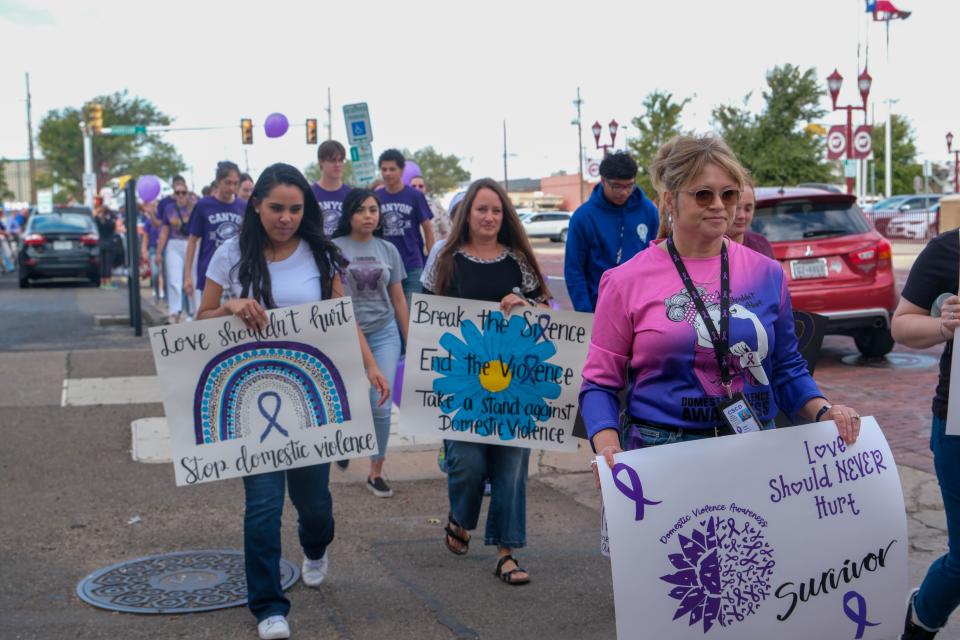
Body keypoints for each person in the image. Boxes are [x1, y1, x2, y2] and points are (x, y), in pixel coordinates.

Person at [581, 135, 862, 481]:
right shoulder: (625, 281)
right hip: (661, 453)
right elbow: (599, 383)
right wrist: (607, 446)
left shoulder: (766, 273)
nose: (719, 204)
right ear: (671, 200)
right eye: (703, 194)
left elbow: (787, 368)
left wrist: (825, 412)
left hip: (753, 449)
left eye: (728, 194)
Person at [197, 163, 389, 640]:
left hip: (309, 398)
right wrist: (229, 307)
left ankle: (316, 547)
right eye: (276, 208)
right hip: (249, 397)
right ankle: (267, 607)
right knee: (262, 505)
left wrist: (369, 365)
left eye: (295, 209)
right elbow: (199, 320)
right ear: (256, 204)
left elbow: (341, 316)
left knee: (315, 506)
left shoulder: (320, 255)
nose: (285, 217)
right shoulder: (229, 256)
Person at [422, 177, 550, 586]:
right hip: (463, 384)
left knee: (511, 466)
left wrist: (527, 305)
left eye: (497, 210)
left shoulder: (519, 260)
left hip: (515, 385)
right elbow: (427, 315)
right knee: (468, 463)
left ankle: (506, 553)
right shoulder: (444, 256)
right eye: (482, 209)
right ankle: (461, 516)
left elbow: (547, 313)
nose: (490, 217)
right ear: (466, 214)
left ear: (505, 214)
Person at [891, 228, 959, 639]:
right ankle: (922, 618)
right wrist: (943, 326)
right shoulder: (948, 248)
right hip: (957, 425)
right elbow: (901, 325)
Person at [332, 189, 409, 496]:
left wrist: (411, 341)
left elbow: (399, 299)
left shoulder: (388, 249)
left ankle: (375, 470)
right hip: (345, 334)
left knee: (381, 403)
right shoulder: (333, 249)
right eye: (362, 210)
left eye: (374, 210)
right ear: (349, 214)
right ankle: (345, 439)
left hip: (384, 332)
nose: (368, 215)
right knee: (345, 400)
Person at [564, 151, 659, 313]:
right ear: (602, 181)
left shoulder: (648, 210)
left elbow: (658, 258)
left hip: (642, 307)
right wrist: (585, 313)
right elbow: (574, 270)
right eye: (616, 186)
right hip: (599, 309)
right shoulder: (583, 217)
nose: (623, 192)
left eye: (629, 185)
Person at [375, 149, 435, 309]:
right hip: (385, 264)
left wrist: (432, 259)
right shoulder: (376, 197)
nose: (387, 173)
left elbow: (428, 229)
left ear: (401, 170)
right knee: (392, 313)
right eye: (384, 169)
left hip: (412, 263)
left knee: (412, 313)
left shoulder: (415, 196)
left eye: (392, 169)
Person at [184, 161, 245, 313]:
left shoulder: (243, 206)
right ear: (218, 182)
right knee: (208, 319)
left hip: (236, 274)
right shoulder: (204, 205)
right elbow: (192, 241)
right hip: (208, 272)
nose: (231, 188)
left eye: (235, 183)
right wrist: (187, 276)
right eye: (227, 183)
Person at [157, 181, 195, 323]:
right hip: (174, 243)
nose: (180, 196)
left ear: (187, 193)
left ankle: (192, 311)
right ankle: (175, 311)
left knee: (191, 278)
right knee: (174, 279)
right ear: (174, 194)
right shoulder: (169, 208)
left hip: (191, 243)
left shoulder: (194, 206)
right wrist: (159, 252)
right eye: (177, 193)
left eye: (183, 192)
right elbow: (165, 230)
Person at [311, 140, 352, 238]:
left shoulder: (350, 194)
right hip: (316, 248)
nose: (337, 165)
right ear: (321, 162)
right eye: (332, 160)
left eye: (341, 160)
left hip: (343, 250)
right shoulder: (309, 193)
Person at [728, 177, 774, 259]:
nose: (742, 215)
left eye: (748, 209)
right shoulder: (705, 249)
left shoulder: (762, 245)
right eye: (736, 208)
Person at [410, 175, 451, 241]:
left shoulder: (436, 205)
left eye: (421, 186)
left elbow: (446, 231)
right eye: (413, 186)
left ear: (425, 188)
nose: (417, 189)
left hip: (435, 249)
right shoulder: (403, 207)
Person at [140, 200, 164, 301]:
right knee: (155, 273)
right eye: (154, 207)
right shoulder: (149, 222)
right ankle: (156, 290)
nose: (156, 209)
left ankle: (163, 292)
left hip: (164, 248)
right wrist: (144, 249)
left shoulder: (164, 220)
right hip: (153, 248)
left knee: (163, 273)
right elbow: (146, 236)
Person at [93, 202, 119, 289]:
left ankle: (102, 282)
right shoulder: (110, 221)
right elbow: (116, 219)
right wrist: (110, 212)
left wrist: (99, 211)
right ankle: (108, 282)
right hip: (109, 243)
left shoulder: (98, 221)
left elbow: (94, 215)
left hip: (101, 243)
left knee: (102, 264)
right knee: (108, 264)